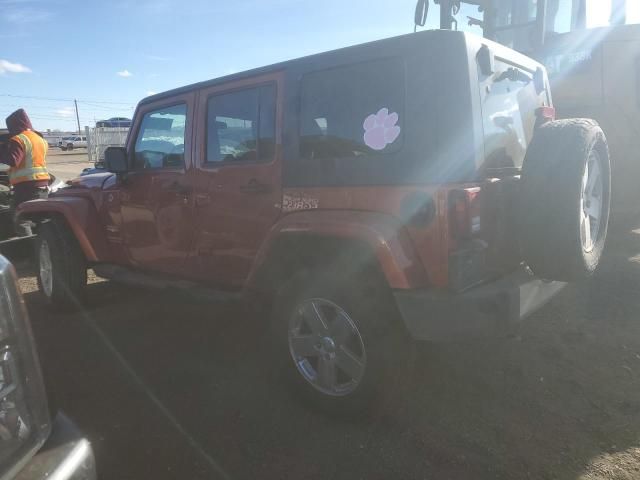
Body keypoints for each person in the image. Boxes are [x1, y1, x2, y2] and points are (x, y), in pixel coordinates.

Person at [0, 109, 50, 207]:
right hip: (43, 184)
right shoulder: (40, 139)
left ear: (14, 125)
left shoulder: (18, 139)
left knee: (19, 216)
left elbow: (12, 161)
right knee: (37, 217)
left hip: (26, 187)